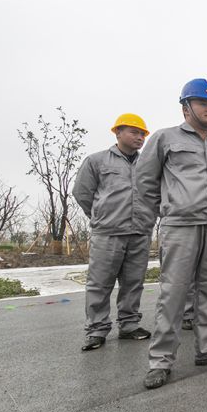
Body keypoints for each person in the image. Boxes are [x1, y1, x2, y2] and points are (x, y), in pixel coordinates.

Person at [136, 78, 207, 390]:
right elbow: (144, 183)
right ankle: (160, 362)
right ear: (185, 108)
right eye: (203, 103)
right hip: (180, 226)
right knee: (173, 294)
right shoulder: (164, 139)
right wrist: (168, 212)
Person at [73, 113, 154, 351]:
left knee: (133, 282)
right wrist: (100, 216)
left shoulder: (149, 165)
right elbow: (82, 193)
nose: (140, 137)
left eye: (142, 134)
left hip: (140, 232)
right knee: (100, 283)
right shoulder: (97, 161)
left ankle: (129, 325)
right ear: (118, 132)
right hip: (107, 233)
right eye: (134, 132)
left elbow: (156, 194)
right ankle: (97, 330)